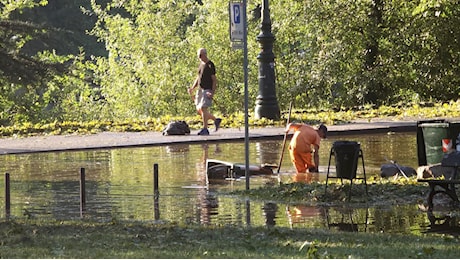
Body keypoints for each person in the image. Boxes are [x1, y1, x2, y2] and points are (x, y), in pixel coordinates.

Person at [188, 48, 222, 135]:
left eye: (200, 55)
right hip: (200, 89)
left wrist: (212, 92)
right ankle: (215, 120)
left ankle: (205, 129)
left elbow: (214, 80)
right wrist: (193, 87)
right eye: (198, 56)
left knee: (203, 108)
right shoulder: (201, 64)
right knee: (199, 109)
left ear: (205, 55)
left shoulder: (210, 65)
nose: (199, 57)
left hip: (207, 90)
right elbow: (198, 77)